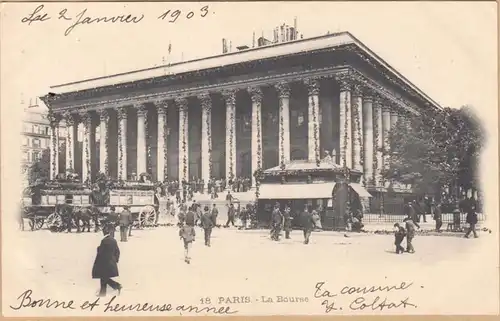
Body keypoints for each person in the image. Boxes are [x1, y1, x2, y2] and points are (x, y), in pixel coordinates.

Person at [92, 225, 122, 297]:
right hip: (111, 262)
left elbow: (100, 251)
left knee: (103, 278)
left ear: (104, 232)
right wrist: (115, 260)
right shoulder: (113, 240)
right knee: (104, 278)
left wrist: (98, 248)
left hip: (104, 262)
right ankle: (114, 287)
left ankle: (116, 286)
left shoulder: (104, 241)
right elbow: (117, 251)